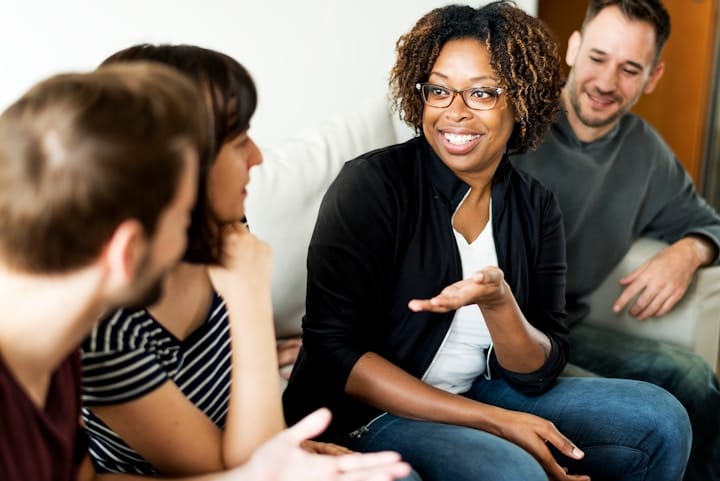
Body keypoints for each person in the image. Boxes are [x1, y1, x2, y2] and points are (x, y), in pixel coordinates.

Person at [283, 2, 693, 481]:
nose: (455, 113)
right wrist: (496, 422)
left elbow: (538, 369)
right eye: (439, 90)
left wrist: (501, 305)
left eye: (481, 93)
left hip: (482, 388)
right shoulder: (372, 184)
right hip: (366, 417)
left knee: (660, 419)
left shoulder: (535, 206)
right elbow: (336, 356)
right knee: (511, 469)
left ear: (521, 100)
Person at [0, 64, 410, 481]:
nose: (193, 241)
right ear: (126, 252)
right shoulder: (80, 350)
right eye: (183, 222)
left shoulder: (56, 355)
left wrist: (255, 476)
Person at [79, 43, 365, 476]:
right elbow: (242, 473)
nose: (257, 157)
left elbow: (248, 436)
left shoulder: (224, 227)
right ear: (178, 165)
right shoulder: (107, 327)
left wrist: (292, 445)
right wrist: (248, 300)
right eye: (238, 141)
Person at [510, 1, 720, 479]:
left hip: (565, 328)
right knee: (648, 417)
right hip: (494, 336)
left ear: (653, 76)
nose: (607, 83)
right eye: (598, 58)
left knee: (694, 377)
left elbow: (709, 224)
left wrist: (689, 251)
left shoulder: (644, 152)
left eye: (629, 69)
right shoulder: (513, 119)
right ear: (574, 48)